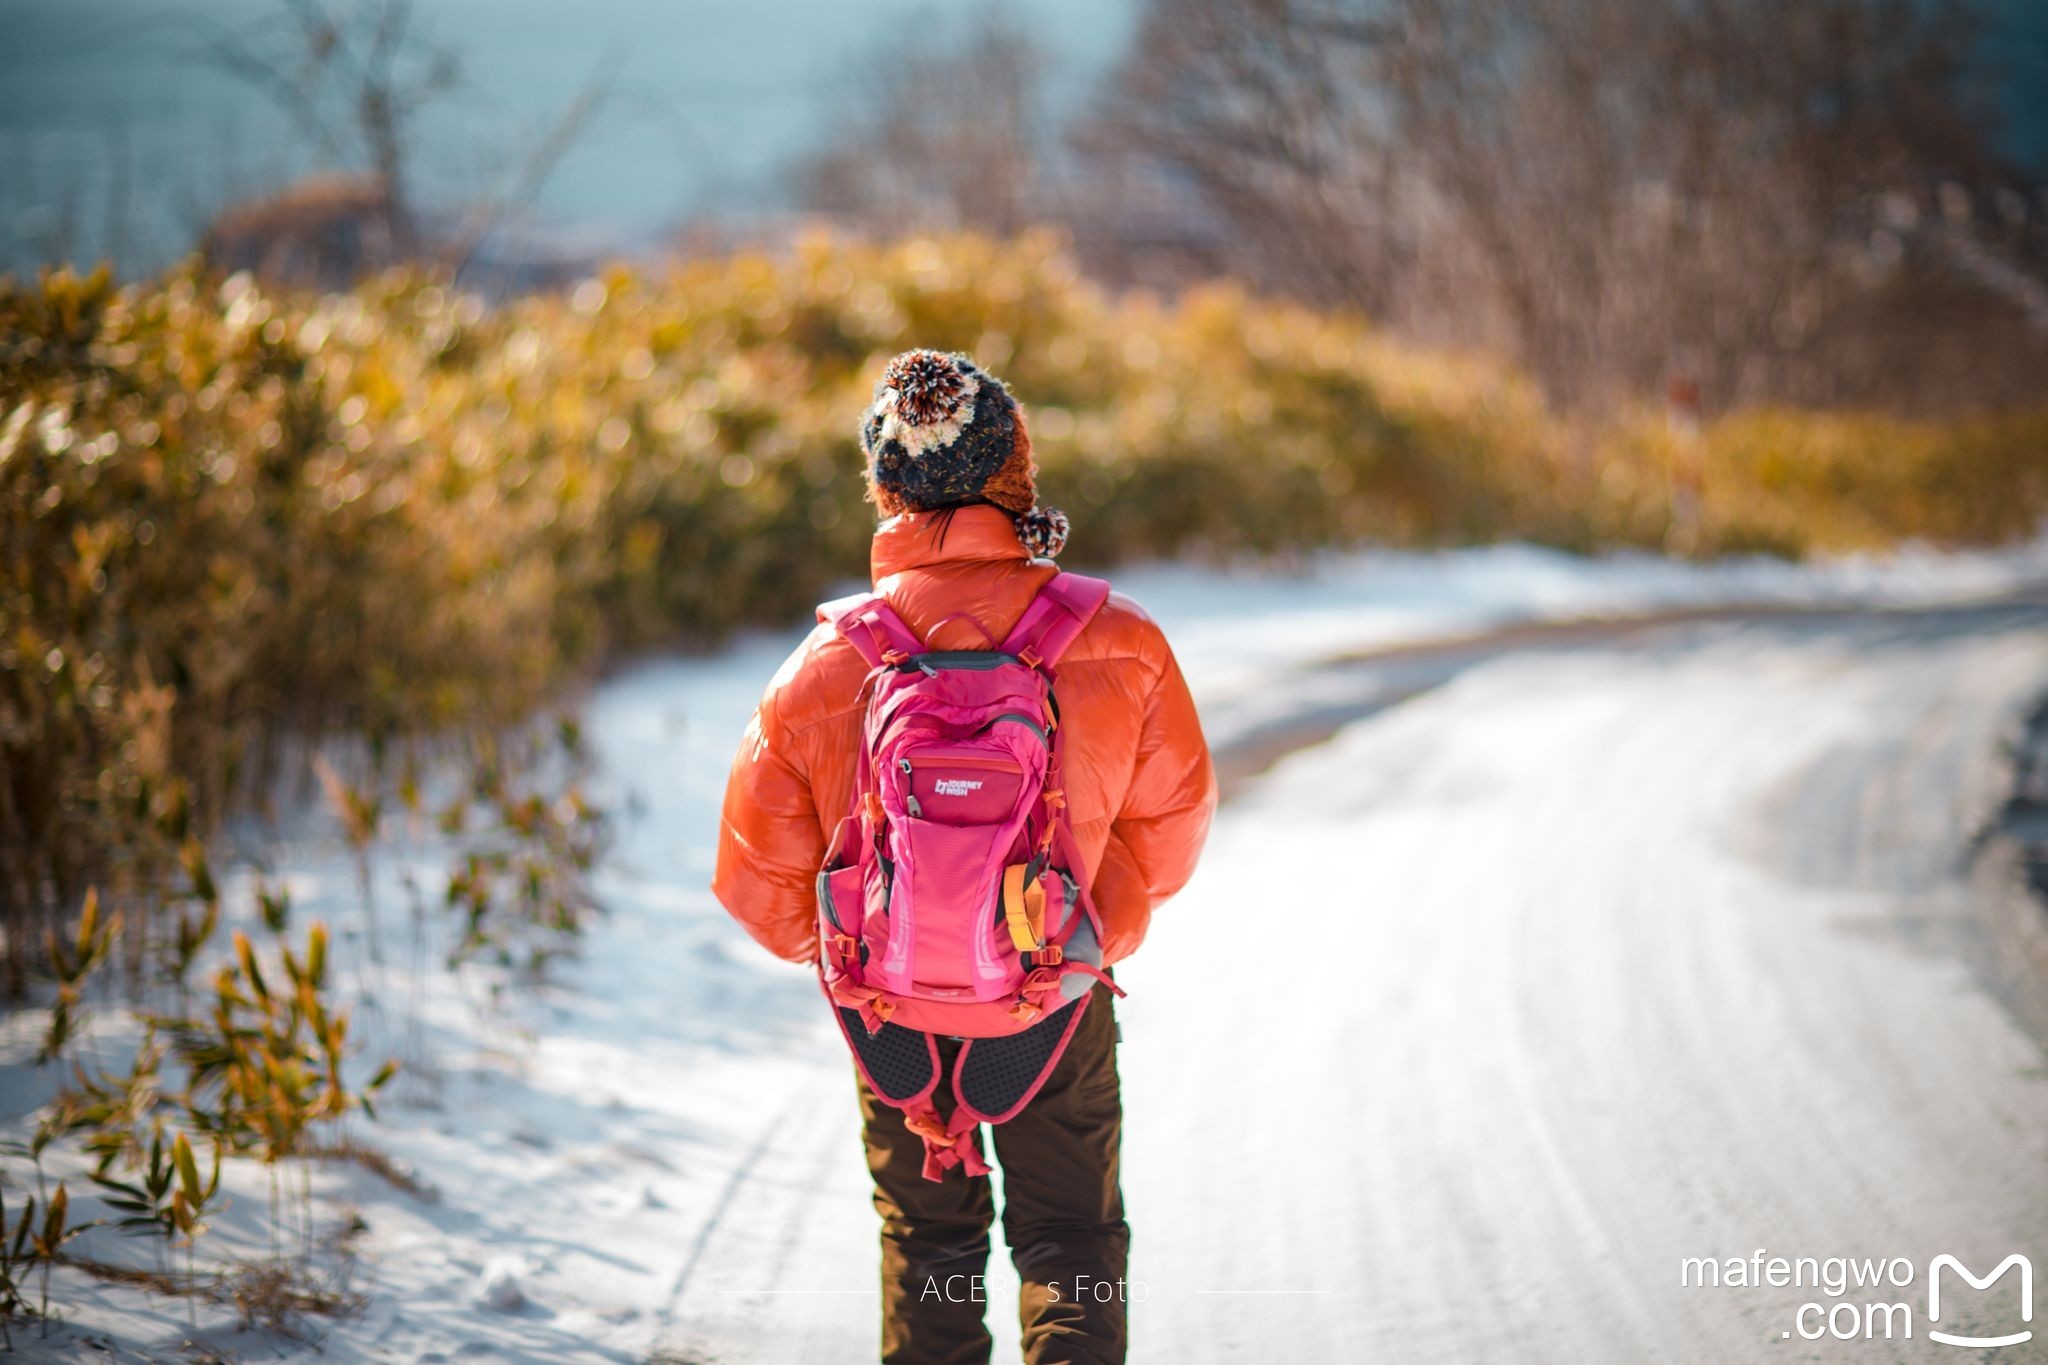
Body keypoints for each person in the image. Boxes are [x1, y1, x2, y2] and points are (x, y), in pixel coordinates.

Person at [713, 348, 1216, 1364]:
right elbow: (1169, 833)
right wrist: (1074, 933)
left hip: (892, 1024)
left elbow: (755, 885)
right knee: (1069, 1245)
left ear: (883, 486)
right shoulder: (1117, 638)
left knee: (931, 1246)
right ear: (1015, 469)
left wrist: (878, 946)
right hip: (1050, 1003)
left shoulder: (823, 666)